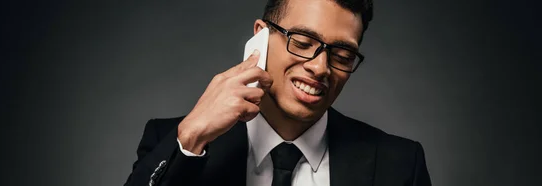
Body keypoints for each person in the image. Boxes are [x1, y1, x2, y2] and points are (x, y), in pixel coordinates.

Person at [124, 0, 431, 185]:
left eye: (342, 55)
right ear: (261, 38)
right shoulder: (174, 141)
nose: (320, 67)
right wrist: (190, 139)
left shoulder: (400, 164)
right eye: (302, 41)